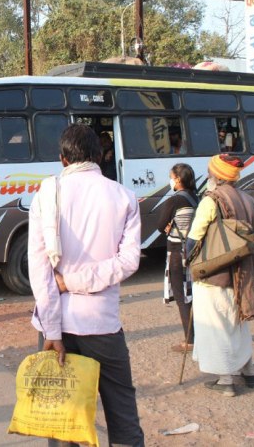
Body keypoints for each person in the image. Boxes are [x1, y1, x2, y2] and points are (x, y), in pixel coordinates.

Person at [29, 124, 145, 447]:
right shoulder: (124, 197)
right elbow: (128, 262)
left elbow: (39, 271)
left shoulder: (45, 196)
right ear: (99, 156)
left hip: (57, 327)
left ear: (62, 159)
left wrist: (52, 332)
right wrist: (76, 282)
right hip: (102, 324)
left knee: (62, 422)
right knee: (122, 416)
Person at [186, 154, 254, 397]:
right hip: (244, 272)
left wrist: (187, 261)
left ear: (215, 176)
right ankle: (249, 372)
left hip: (215, 272)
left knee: (216, 324)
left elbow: (194, 237)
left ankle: (225, 380)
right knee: (238, 322)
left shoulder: (212, 200)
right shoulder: (249, 199)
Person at [156, 163, 198, 353]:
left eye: (171, 176)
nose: (170, 179)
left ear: (178, 179)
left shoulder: (174, 200)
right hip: (193, 250)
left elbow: (160, 225)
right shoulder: (196, 198)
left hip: (176, 251)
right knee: (193, 294)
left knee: (182, 296)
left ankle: (190, 340)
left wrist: (168, 226)